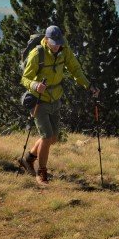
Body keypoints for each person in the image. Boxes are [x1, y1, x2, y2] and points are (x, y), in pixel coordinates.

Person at [19, 25, 97, 185]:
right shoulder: (37, 54)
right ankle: (41, 173)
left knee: (53, 139)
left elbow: (75, 69)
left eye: (58, 43)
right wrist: (35, 85)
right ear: (46, 40)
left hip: (55, 99)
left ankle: (28, 159)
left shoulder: (64, 50)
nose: (56, 46)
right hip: (39, 101)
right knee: (46, 136)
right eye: (53, 43)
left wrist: (89, 86)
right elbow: (25, 79)